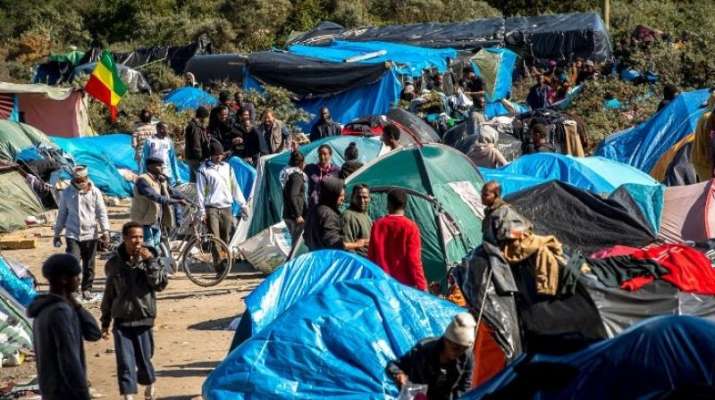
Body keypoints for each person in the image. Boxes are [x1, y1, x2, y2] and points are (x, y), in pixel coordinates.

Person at [101, 222, 168, 400]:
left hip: (144, 318)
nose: (137, 241)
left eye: (140, 237)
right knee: (124, 362)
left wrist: (150, 262)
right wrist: (105, 321)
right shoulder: (114, 264)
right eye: (133, 237)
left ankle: (150, 383)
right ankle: (128, 396)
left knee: (144, 359)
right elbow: (109, 294)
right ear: (124, 239)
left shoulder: (152, 257)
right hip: (122, 320)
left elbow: (159, 284)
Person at [28, 254, 102, 400]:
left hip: (50, 391)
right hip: (65, 393)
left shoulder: (43, 309)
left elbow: (93, 333)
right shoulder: (59, 313)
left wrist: (75, 304)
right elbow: (69, 359)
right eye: (76, 276)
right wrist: (82, 394)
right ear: (64, 279)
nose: (79, 279)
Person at [387, 313, 475, 400]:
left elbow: (464, 386)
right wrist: (398, 374)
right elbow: (392, 365)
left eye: (464, 349)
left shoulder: (466, 356)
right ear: (446, 340)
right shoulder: (422, 350)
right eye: (456, 348)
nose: (459, 353)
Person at [53, 166, 110, 300]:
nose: (80, 183)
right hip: (72, 233)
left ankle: (87, 289)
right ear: (73, 179)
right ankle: (73, 289)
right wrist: (57, 233)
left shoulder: (95, 192)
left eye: (82, 180)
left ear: (87, 179)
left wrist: (105, 231)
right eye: (77, 180)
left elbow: (101, 213)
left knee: (89, 265)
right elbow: (62, 214)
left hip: (91, 234)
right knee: (73, 262)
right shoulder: (67, 193)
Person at [197, 142, 248, 273]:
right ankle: (219, 268)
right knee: (214, 238)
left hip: (226, 207)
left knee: (226, 238)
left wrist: (243, 204)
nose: (219, 157)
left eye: (220, 154)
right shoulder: (203, 170)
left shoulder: (227, 167)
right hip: (211, 208)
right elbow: (200, 192)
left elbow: (235, 187)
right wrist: (202, 211)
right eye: (216, 155)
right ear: (211, 155)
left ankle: (225, 261)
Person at [368, 189, 427, 290]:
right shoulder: (411, 227)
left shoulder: (378, 225)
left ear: (388, 204)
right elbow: (414, 260)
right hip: (405, 285)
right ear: (405, 205)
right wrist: (423, 286)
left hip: (382, 283)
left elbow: (371, 256)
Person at [130, 157, 186, 249]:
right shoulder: (143, 180)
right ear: (150, 166)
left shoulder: (160, 180)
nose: (162, 167)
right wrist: (177, 201)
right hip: (143, 220)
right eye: (159, 165)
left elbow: (172, 192)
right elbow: (155, 197)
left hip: (156, 220)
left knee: (156, 246)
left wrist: (186, 199)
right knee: (149, 247)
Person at [303, 177, 368, 251]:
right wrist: (357, 244)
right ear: (332, 195)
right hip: (327, 258)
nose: (343, 198)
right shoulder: (328, 215)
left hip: (315, 254)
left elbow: (305, 237)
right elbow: (334, 244)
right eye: (340, 196)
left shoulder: (314, 209)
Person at [480, 181, 532, 246]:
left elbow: (520, 230)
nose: (482, 197)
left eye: (486, 195)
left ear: (496, 195)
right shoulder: (491, 211)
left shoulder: (503, 211)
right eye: (481, 193)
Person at [281, 151, 308, 244]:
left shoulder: (287, 173)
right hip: (295, 216)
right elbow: (293, 196)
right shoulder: (296, 177)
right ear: (300, 163)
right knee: (296, 242)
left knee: (293, 240)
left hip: (289, 212)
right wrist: (298, 215)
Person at [305, 144, 340, 208]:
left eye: (325, 154)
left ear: (330, 155)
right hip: (313, 206)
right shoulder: (311, 168)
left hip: (329, 206)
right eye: (320, 154)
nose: (322, 156)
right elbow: (299, 164)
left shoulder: (336, 171)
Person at [341, 184, 372, 257]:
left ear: (369, 198)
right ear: (352, 198)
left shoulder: (365, 214)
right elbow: (347, 247)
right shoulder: (348, 217)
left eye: (365, 197)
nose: (362, 200)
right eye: (358, 197)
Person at [184, 106, 211, 180]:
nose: (207, 120)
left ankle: (194, 191)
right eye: (206, 117)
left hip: (192, 157)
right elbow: (196, 145)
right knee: (198, 178)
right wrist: (201, 158)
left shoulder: (196, 126)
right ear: (202, 117)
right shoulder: (195, 127)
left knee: (194, 177)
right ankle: (196, 191)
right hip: (195, 158)